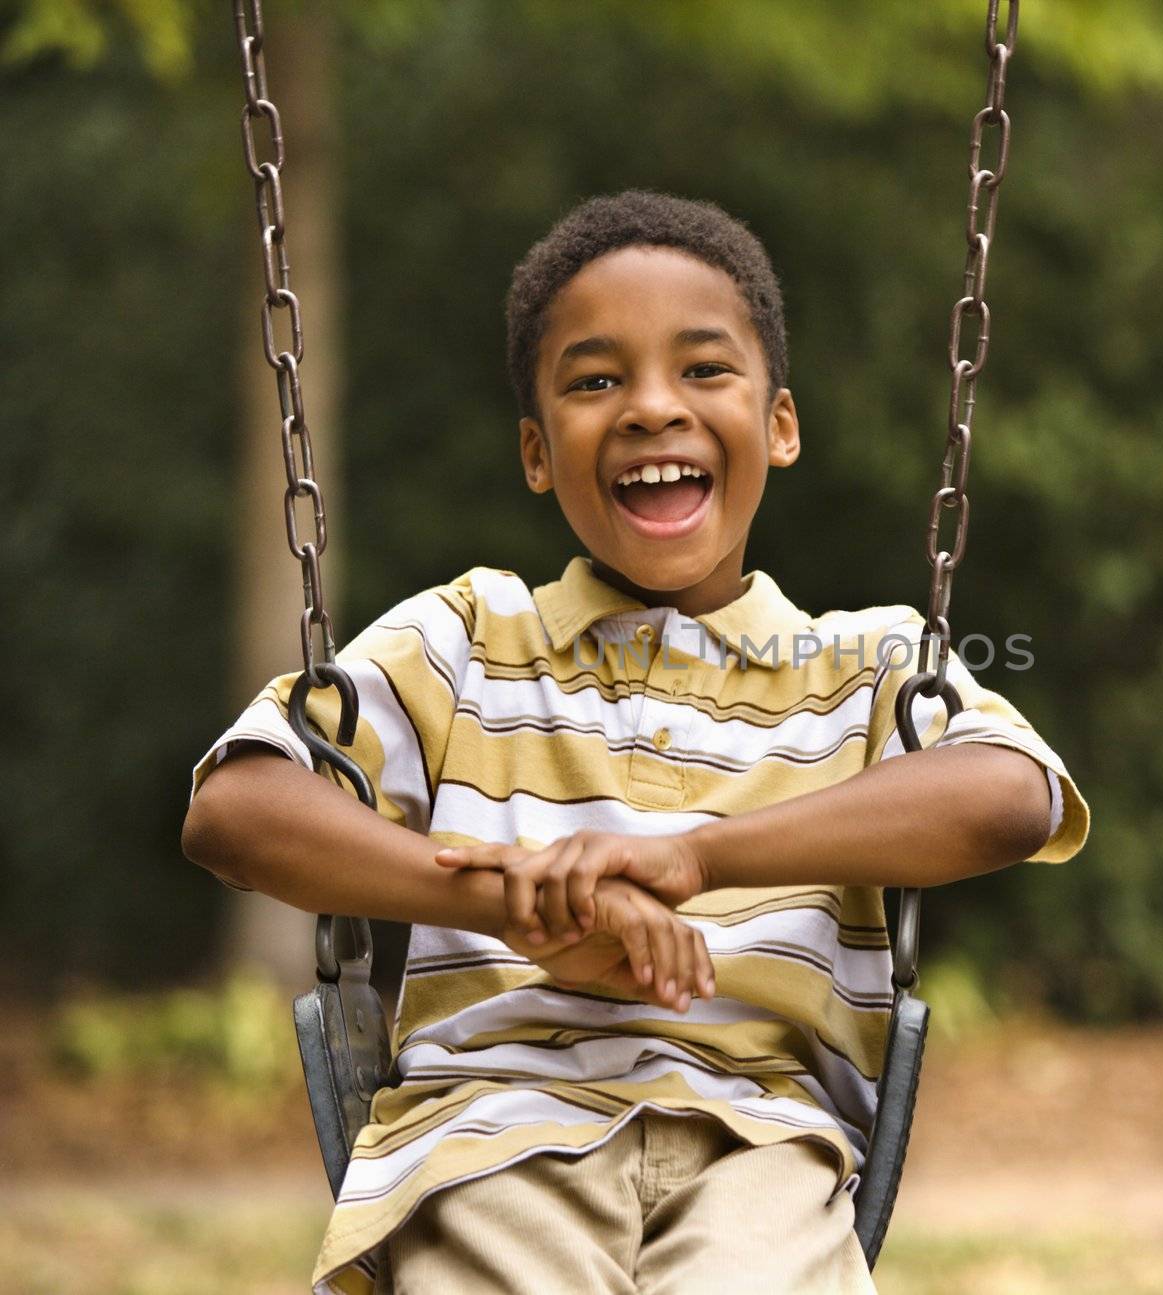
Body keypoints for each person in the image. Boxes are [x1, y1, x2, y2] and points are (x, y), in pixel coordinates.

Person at [182, 189, 1090, 1295]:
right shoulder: (465, 638)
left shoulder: (863, 665)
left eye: (704, 369)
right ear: (535, 448)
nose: (652, 407)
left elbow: (1011, 797)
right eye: (594, 380)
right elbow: (236, 807)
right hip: (489, 1134)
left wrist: (698, 856)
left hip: (762, 1143)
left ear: (781, 424)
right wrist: (510, 895)